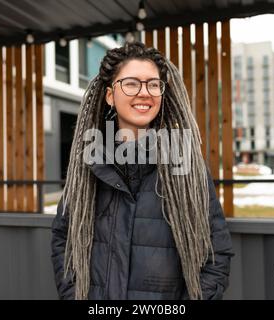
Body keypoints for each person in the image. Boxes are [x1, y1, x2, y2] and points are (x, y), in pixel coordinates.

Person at [51, 41, 233, 300]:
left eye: (153, 84)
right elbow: (63, 240)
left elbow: (216, 253)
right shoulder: (87, 164)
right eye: (132, 83)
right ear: (110, 95)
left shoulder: (185, 165)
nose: (144, 92)